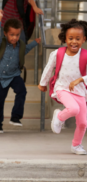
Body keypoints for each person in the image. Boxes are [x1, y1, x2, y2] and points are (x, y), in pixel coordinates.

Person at [38, 19, 87, 155]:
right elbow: (49, 68)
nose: (74, 41)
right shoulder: (58, 53)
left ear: (84, 39)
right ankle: (59, 116)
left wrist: (80, 80)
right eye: (70, 38)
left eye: (78, 38)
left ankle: (76, 145)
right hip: (62, 88)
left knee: (83, 123)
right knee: (73, 109)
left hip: (80, 92)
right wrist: (43, 83)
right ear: (65, 38)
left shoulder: (85, 56)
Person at [0, 10, 40, 133]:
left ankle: (15, 117)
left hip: (14, 75)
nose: (14, 38)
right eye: (11, 35)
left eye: (17, 35)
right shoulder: (0, 43)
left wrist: (35, 42)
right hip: (0, 77)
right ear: (6, 34)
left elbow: (26, 50)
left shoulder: (20, 45)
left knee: (22, 91)